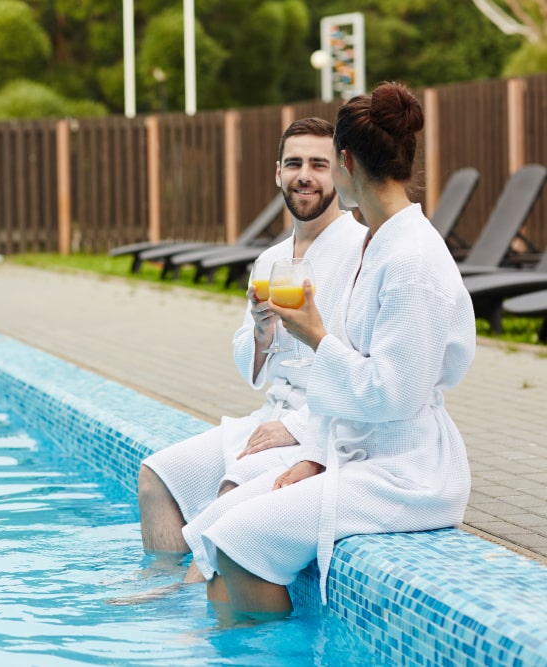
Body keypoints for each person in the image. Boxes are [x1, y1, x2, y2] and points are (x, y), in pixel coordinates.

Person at [197, 82, 476, 620]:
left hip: (409, 472)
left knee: (239, 543)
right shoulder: (379, 241)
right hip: (353, 449)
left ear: (345, 162)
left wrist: (315, 337)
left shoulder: (412, 261)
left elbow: (395, 395)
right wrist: (316, 454)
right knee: (215, 534)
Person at [137, 117, 368, 583]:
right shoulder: (270, 259)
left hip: (323, 427)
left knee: (230, 493)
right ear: (277, 173)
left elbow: (364, 371)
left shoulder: (360, 251)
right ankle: (159, 581)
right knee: (156, 477)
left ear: (340, 173)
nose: (305, 175)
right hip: (269, 416)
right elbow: (252, 367)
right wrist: (262, 336)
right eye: (294, 163)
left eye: (319, 164)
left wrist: (297, 428)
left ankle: (181, 610)